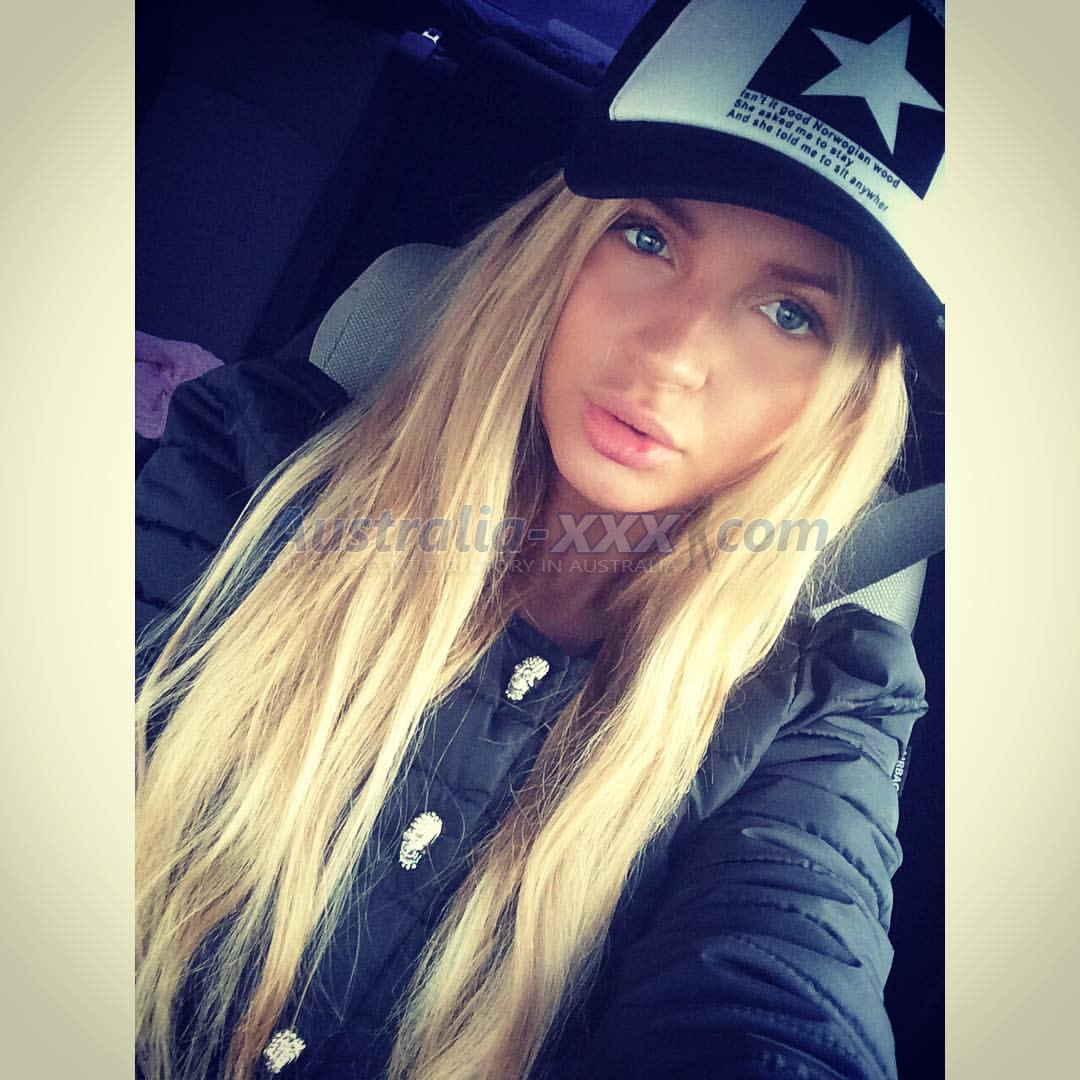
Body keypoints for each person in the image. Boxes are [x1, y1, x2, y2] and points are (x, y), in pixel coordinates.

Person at [135, 1, 944, 1077]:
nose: (672, 355)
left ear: (844, 406)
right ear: (558, 251)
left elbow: (780, 989)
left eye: (791, 313)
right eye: (647, 238)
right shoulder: (255, 463)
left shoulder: (818, 713)